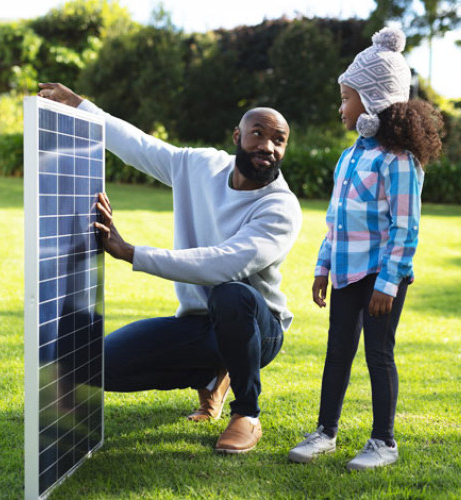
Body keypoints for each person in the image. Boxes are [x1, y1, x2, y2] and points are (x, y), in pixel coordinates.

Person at [38, 82, 302, 454]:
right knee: (93, 366)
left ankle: (247, 413)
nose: (267, 147)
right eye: (257, 134)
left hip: (260, 328)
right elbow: (140, 147)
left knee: (231, 294)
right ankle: (210, 375)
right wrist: (82, 107)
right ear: (237, 136)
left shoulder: (281, 207)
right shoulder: (199, 166)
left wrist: (130, 252)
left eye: (279, 140)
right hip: (199, 323)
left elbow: (224, 264)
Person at [287, 27, 443, 470]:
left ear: (373, 99)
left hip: (381, 278)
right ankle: (325, 431)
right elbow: (335, 219)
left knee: (378, 353)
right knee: (338, 351)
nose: (341, 108)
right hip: (346, 272)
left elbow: (406, 228)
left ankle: (384, 442)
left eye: (346, 98)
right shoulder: (350, 156)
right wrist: (322, 266)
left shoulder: (400, 162)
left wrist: (388, 283)